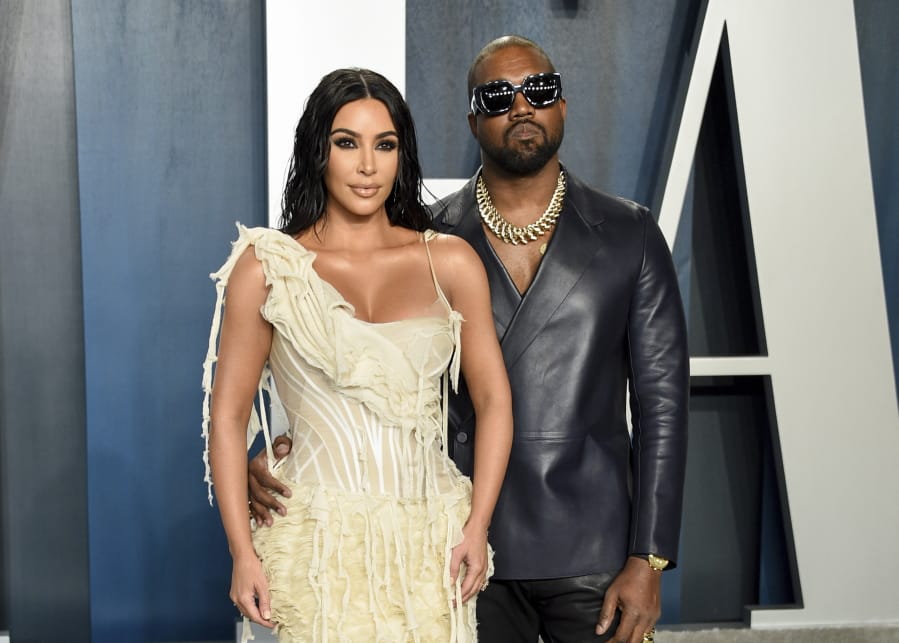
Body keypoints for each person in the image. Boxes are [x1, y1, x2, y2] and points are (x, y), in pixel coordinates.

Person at [250, 36, 688, 643]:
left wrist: (650, 556)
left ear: (562, 104)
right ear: (472, 119)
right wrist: (286, 455)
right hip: (457, 542)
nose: (522, 107)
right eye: (497, 96)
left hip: (594, 545)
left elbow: (663, 406)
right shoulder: (428, 240)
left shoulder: (629, 233)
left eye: (539, 90)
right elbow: (366, 367)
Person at [202, 67, 513, 642]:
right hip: (311, 546)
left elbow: (494, 399)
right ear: (318, 150)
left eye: (385, 145)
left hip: (429, 542)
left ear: (402, 155)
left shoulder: (450, 262)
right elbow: (227, 416)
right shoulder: (269, 268)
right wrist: (241, 552)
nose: (368, 165)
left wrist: (477, 525)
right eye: (347, 143)